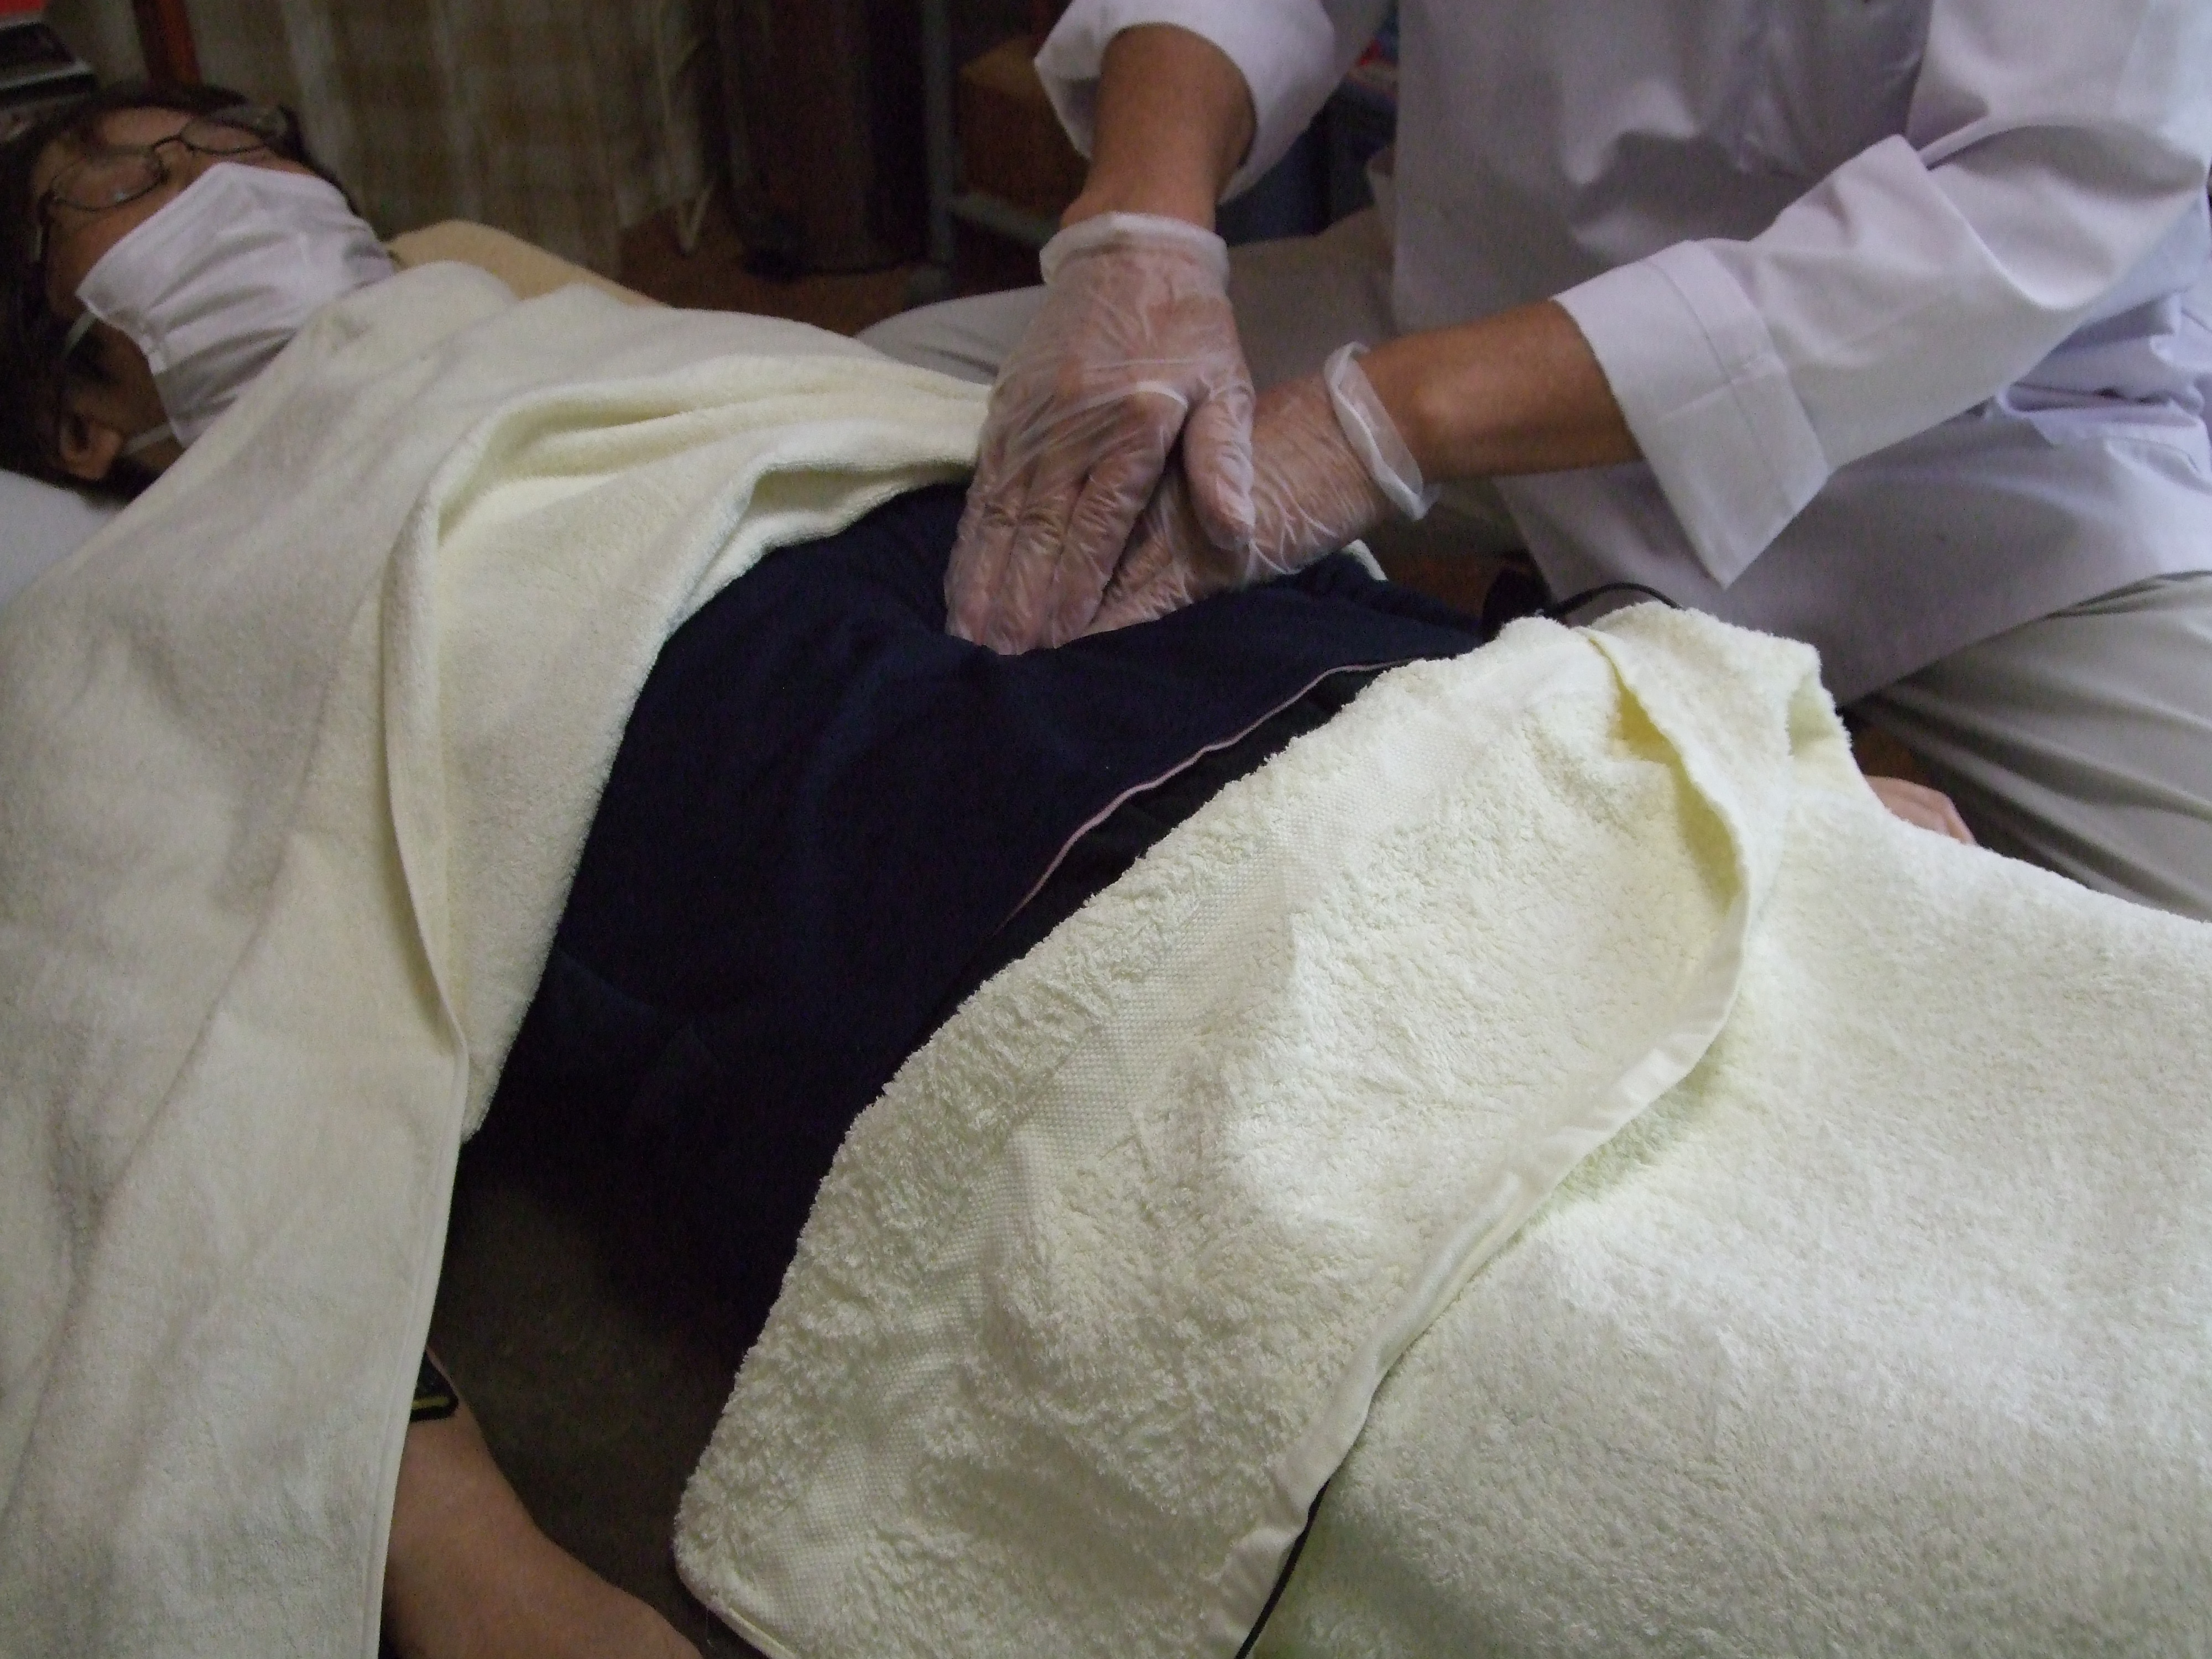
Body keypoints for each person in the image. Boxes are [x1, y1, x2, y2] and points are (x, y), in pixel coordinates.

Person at [1, 80, 1973, 1659]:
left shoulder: (605, 330)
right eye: (138, 186)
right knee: (1186, 1029)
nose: (226, 185)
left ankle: (1760, 868)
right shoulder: (150, 591)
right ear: (82, 416)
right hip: (663, 678)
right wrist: (453, 1542)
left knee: (1453, 739)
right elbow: (121, 1058)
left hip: (968, 524)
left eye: (239, 149)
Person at [863, 2, 2212, 921]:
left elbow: (2031, 191)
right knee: (874, 408)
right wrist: (1143, 223)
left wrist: (1384, 422)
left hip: (1979, 440)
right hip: (1473, 290)